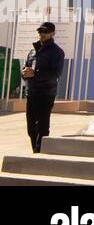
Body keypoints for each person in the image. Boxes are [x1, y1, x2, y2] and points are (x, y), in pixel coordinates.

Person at [21, 21, 63, 154]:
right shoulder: (33, 50)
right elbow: (26, 68)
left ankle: (40, 152)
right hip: (32, 92)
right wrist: (24, 73)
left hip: (46, 93)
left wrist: (36, 74)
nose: (42, 34)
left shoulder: (57, 52)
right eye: (40, 32)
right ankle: (35, 150)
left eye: (45, 32)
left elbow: (55, 74)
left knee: (43, 126)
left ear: (52, 33)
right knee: (31, 128)